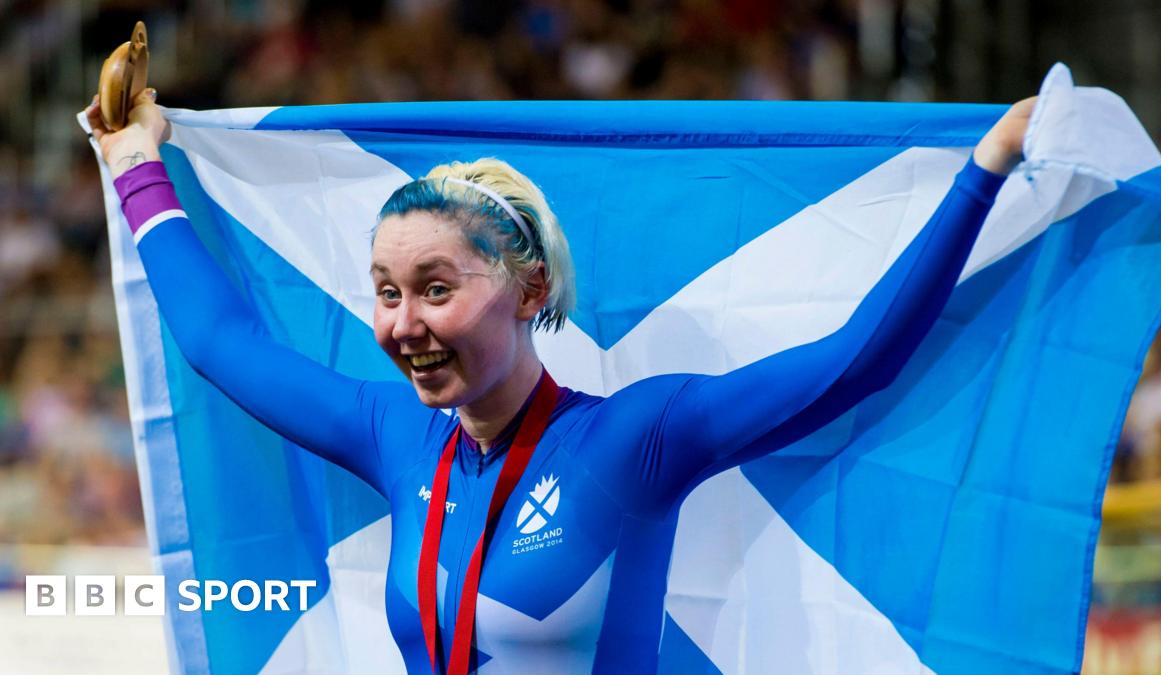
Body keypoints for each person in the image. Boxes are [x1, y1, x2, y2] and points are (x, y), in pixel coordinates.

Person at [86, 89, 1033, 674]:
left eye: (436, 289)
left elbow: (851, 363)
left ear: (528, 286)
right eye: (384, 293)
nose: (402, 324)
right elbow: (220, 342)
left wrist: (984, 174)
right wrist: (134, 161)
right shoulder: (393, 433)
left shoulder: (638, 438)